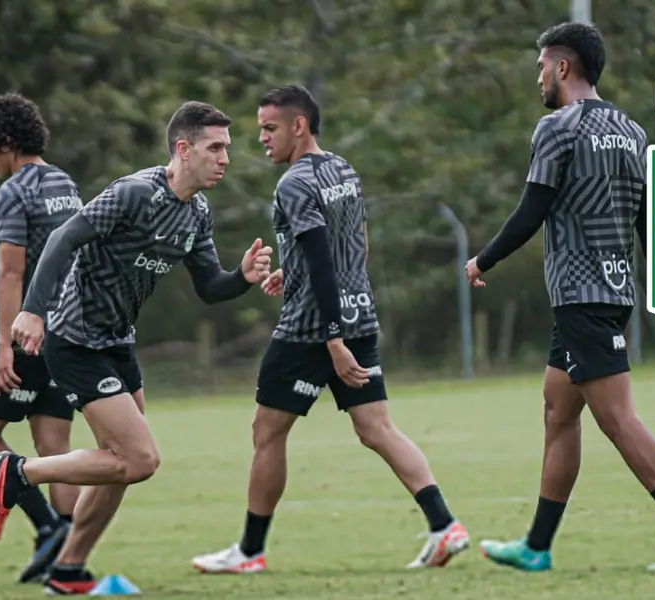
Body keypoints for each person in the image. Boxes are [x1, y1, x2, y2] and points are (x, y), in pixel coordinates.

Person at [0, 100, 273, 595]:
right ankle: (18, 471)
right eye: (216, 148)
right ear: (183, 149)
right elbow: (61, 241)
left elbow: (209, 286)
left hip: (118, 343)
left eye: (228, 148)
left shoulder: (196, 211)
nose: (226, 158)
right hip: (75, 340)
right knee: (140, 460)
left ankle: (69, 568)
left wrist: (242, 279)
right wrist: (31, 311)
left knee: (117, 465)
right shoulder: (134, 193)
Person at [464, 22, 655, 572]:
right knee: (559, 409)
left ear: (562, 67)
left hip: (582, 294)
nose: (537, 77)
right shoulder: (631, 131)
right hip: (612, 291)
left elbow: (531, 210)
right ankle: (537, 546)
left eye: (540, 67)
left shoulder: (558, 128)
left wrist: (483, 259)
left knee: (618, 419)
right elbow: (647, 221)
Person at [190, 84, 470, 575]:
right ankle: (444, 524)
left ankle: (249, 553)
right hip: (359, 313)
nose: (261, 139)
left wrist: (332, 338)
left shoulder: (294, 184)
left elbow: (322, 261)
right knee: (376, 427)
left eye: (269, 128)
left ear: (299, 126)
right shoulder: (342, 168)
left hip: (313, 328)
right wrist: (294, 274)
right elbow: (352, 245)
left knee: (267, 431)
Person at [0, 92, 81, 584]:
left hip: (28, 333)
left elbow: (11, 273)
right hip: (71, 333)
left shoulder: (14, 192)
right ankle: (70, 554)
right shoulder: (64, 183)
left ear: (8, 143)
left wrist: (5, 344)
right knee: (55, 449)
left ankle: (49, 526)